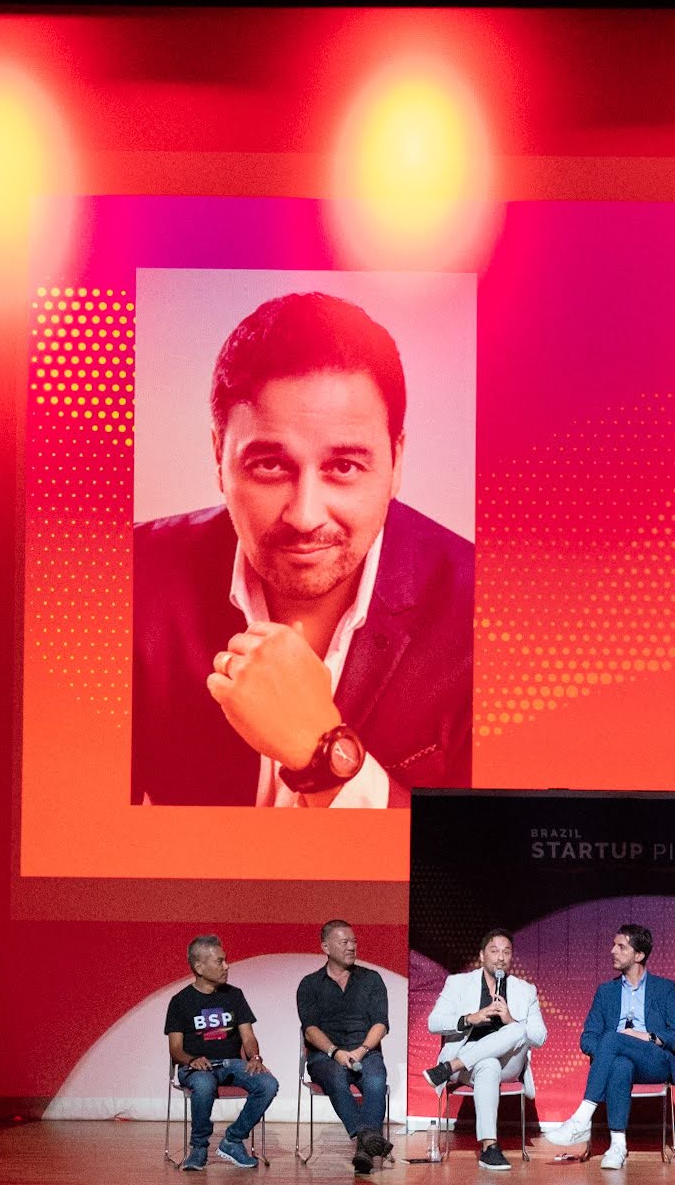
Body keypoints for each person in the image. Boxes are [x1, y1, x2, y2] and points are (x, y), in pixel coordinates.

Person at [131, 290, 474, 808]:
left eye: (344, 466)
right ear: (218, 457)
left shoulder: (487, 613)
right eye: (270, 465)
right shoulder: (127, 579)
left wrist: (324, 757)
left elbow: (484, 859)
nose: (305, 515)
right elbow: (69, 828)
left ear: (397, 461)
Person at [542, 924, 675, 1170]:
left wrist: (643, 1036)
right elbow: (588, 1038)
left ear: (639, 955)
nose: (613, 951)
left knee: (612, 1038)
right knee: (619, 1064)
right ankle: (618, 1145)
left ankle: (581, 1119)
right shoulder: (606, 991)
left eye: (621, 947)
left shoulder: (665, 988)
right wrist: (609, 1053)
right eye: (614, 945)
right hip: (619, 1059)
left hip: (654, 1059)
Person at [422, 927, 549, 1170]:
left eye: (506, 952)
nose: (500, 957)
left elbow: (540, 1037)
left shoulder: (525, 990)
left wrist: (510, 1020)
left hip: (509, 1062)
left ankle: (449, 1067)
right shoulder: (458, 983)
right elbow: (433, 1023)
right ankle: (490, 1148)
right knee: (488, 1063)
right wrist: (470, 1018)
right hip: (471, 1063)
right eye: (494, 951)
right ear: (482, 955)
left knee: (518, 1030)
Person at [163, 934, 278, 1171]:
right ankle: (199, 1148)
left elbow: (248, 1037)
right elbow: (175, 1049)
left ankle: (233, 1140)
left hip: (232, 1065)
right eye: (219, 961)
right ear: (199, 967)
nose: (226, 966)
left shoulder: (234, 995)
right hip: (196, 1068)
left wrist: (255, 1057)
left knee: (268, 1084)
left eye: (225, 960)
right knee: (204, 1085)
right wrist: (193, 1060)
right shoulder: (180, 1001)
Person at [296, 920, 394, 1175]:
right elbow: (310, 1030)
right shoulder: (310, 984)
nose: (351, 947)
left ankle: (364, 1147)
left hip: (365, 1051)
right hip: (325, 1055)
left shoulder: (372, 980)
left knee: (375, 1080)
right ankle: (368, 1137)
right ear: (326, 947)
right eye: (344, 942)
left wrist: (361, 1050)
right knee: (336, 1078)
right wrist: (335, 1052)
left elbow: (381, 1024)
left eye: (354, 942)